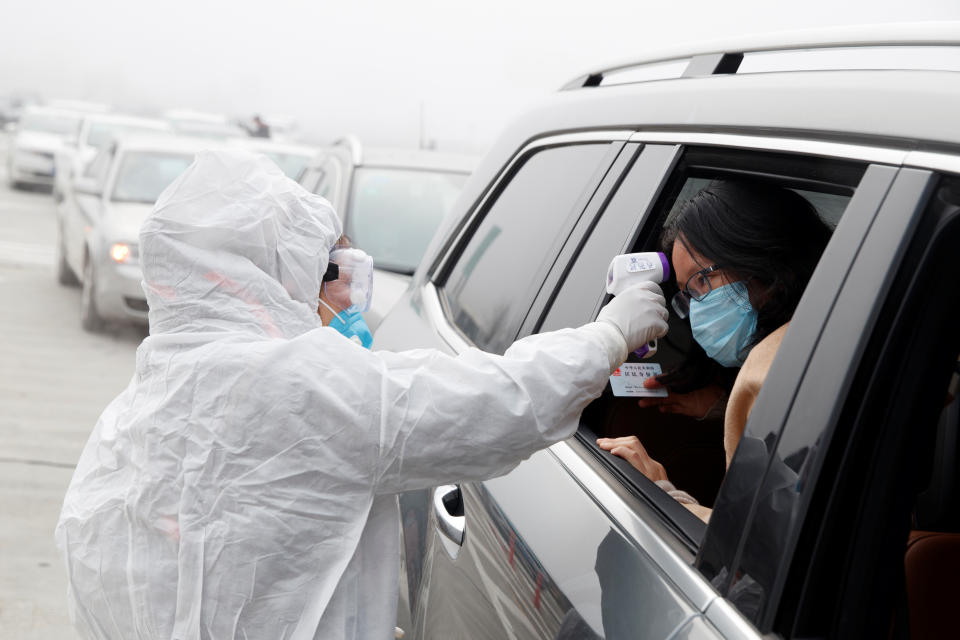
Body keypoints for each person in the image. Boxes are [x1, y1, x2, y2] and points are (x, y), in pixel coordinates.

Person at [54, 150, 668, 640]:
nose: (344, 298)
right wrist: (612, 334)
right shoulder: (300, 384)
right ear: (264, 273)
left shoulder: (140, 403)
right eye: (326, 270)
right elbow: (498, 402)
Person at [597, 179, 832, 521]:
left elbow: (751, 554)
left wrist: (662, 493)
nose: (695, 309)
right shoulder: (840, 342)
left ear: (760, 259)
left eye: (702, 281)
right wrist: (725, 409)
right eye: (687, 295)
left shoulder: (776, 370)